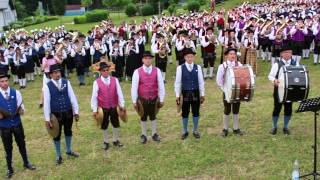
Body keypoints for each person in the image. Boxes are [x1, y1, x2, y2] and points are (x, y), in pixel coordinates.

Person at [0, 73, 36, 178]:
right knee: (8, 148)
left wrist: (21, 110)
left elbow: (22, 108)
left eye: (6, 81)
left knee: (22, 144)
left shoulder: (16, 92)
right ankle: (9, 168)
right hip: (4, 126)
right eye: (2, 81)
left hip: (17, 124)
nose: (4, 83)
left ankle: (26, 162)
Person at [43, 64, 80, 165]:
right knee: (56, 135)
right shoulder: (47, 86)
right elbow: (46, 103)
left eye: (58, 72)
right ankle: (58, 155)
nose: (57, 74)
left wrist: (76, 111)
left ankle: (68, 150)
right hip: (55, 115)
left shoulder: (66, 82)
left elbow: (72, 97)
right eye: (55, 73)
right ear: (51, 75)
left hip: (68, 112)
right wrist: (47, 119)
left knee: (68, 131)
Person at [131, 51, 165, 144]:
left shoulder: (157, 70)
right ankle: (144, 135)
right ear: (142, 60)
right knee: (143, 116)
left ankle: (154, 134)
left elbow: (161, 85)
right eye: (146, 58)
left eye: (149, 58)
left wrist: (161, 99)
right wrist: (134, 100)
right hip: (143, 99)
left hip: (154, 98)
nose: (148, 60)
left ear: (152, 60)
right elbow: (134, 87)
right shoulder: (137, 72)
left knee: (153, 116)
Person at [91, 62, 125, 150]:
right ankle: (106, 142)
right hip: (103, 107)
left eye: (107, 70)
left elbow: (119, 93)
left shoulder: (115, 80)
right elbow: (94, 97)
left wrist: (122, 105)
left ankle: (115, 140)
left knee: (115, 123)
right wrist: (94, 109)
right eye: (103, 71)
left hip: (114, 106)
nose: (106, 72)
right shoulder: (96, 82)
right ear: (100, 72)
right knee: (104, 124)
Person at [174, 48, 205, 140]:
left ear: (194, 57)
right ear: (185, 57)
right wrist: (177, 95)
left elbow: (201, 82)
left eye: (191, 57)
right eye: (188, 57)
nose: (190, 58)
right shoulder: (180, 68)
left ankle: (195, 130)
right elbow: (178, 82)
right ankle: (185, 131)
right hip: (185, 93)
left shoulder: (198, 67)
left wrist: (202, 93)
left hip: (195, 92)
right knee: (185, 112)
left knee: (196, 112)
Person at [268, 46, 297, 135]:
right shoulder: (277, 64)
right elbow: (270, 76)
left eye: (289, 52)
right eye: (286, 52)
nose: (288, 54)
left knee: (288, 109)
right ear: (281, 54)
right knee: (277, 108)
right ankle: (274, 127)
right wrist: (274, 80)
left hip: (290, 91)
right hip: (279, 90)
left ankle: (285, 127)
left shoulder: (295, 64)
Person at [216, 48, 243, 137]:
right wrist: (226, 91)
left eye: (234, 54)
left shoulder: (239, 64)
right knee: (227, 110)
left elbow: (242, 77)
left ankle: (236, 128)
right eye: (231, 54)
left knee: (236, 109)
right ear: (226, 55)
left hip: (237, 91)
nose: (233, 55)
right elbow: (219, 81)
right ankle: (225, 129)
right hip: (226, 92)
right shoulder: (222, 66)